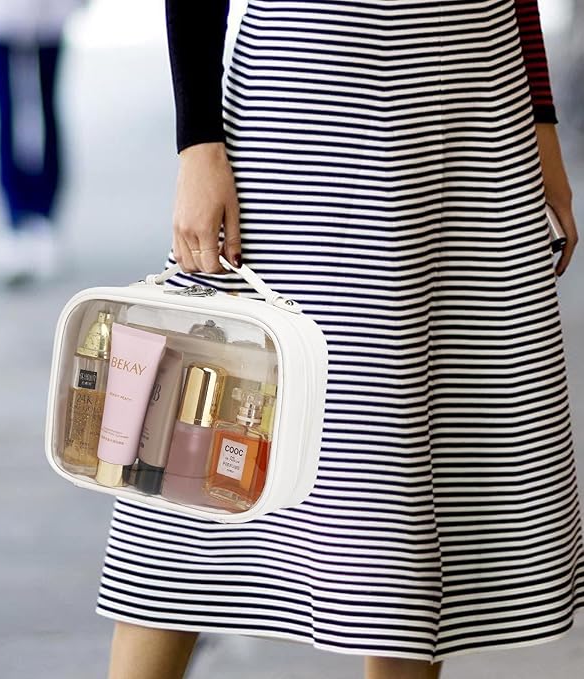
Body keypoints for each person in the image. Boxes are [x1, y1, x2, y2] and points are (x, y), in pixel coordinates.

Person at [99, 2, 583, 678]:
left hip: (472, 108)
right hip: (301, 102)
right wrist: (197, 145)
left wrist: (541, 125)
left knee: (417, 452)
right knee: (198, 455)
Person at [0, 0, 82, 285]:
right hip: (0, 16)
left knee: (46, 106)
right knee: (7, 111)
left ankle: (44, 217)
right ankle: (15, 219)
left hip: (50, 16)